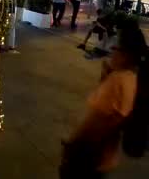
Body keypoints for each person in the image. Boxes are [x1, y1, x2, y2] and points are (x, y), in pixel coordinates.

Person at [61, 24, 149, 178]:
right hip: (105, 160)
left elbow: (95, 120)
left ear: (126, 54)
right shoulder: (132, 78)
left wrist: (72, 143)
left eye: (116, 47)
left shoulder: (117, 81)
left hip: (87, 158)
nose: (111, 49)